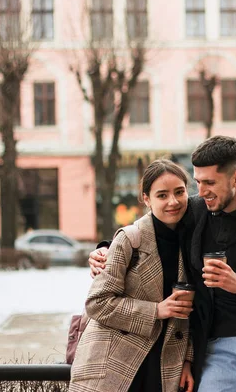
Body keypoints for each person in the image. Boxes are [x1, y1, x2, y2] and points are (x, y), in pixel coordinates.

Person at [89, 136, 236, 392]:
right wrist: (107, 247)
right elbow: (152, 226)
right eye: (197, 182)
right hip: (216, 346)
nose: (202, 191)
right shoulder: (197, 210)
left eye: (210, 183)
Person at [70, 159, 195, 392]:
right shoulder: (130, 239)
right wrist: (156, 310)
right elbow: (97, 303)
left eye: (179, 192)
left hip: (166, 361)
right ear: (146, 199)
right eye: (162, 195)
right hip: (116, 358)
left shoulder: (193, 240)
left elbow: (197, 310)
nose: (173, 202)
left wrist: (188, 360)